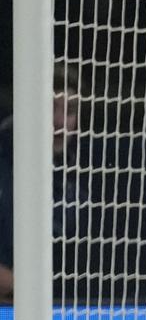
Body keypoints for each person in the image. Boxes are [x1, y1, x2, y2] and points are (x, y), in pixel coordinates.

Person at [0, 66, 85, 303]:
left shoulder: (76, 179)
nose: (59, 121)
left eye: (69, 111)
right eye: (51, 108)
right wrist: (22, 288)